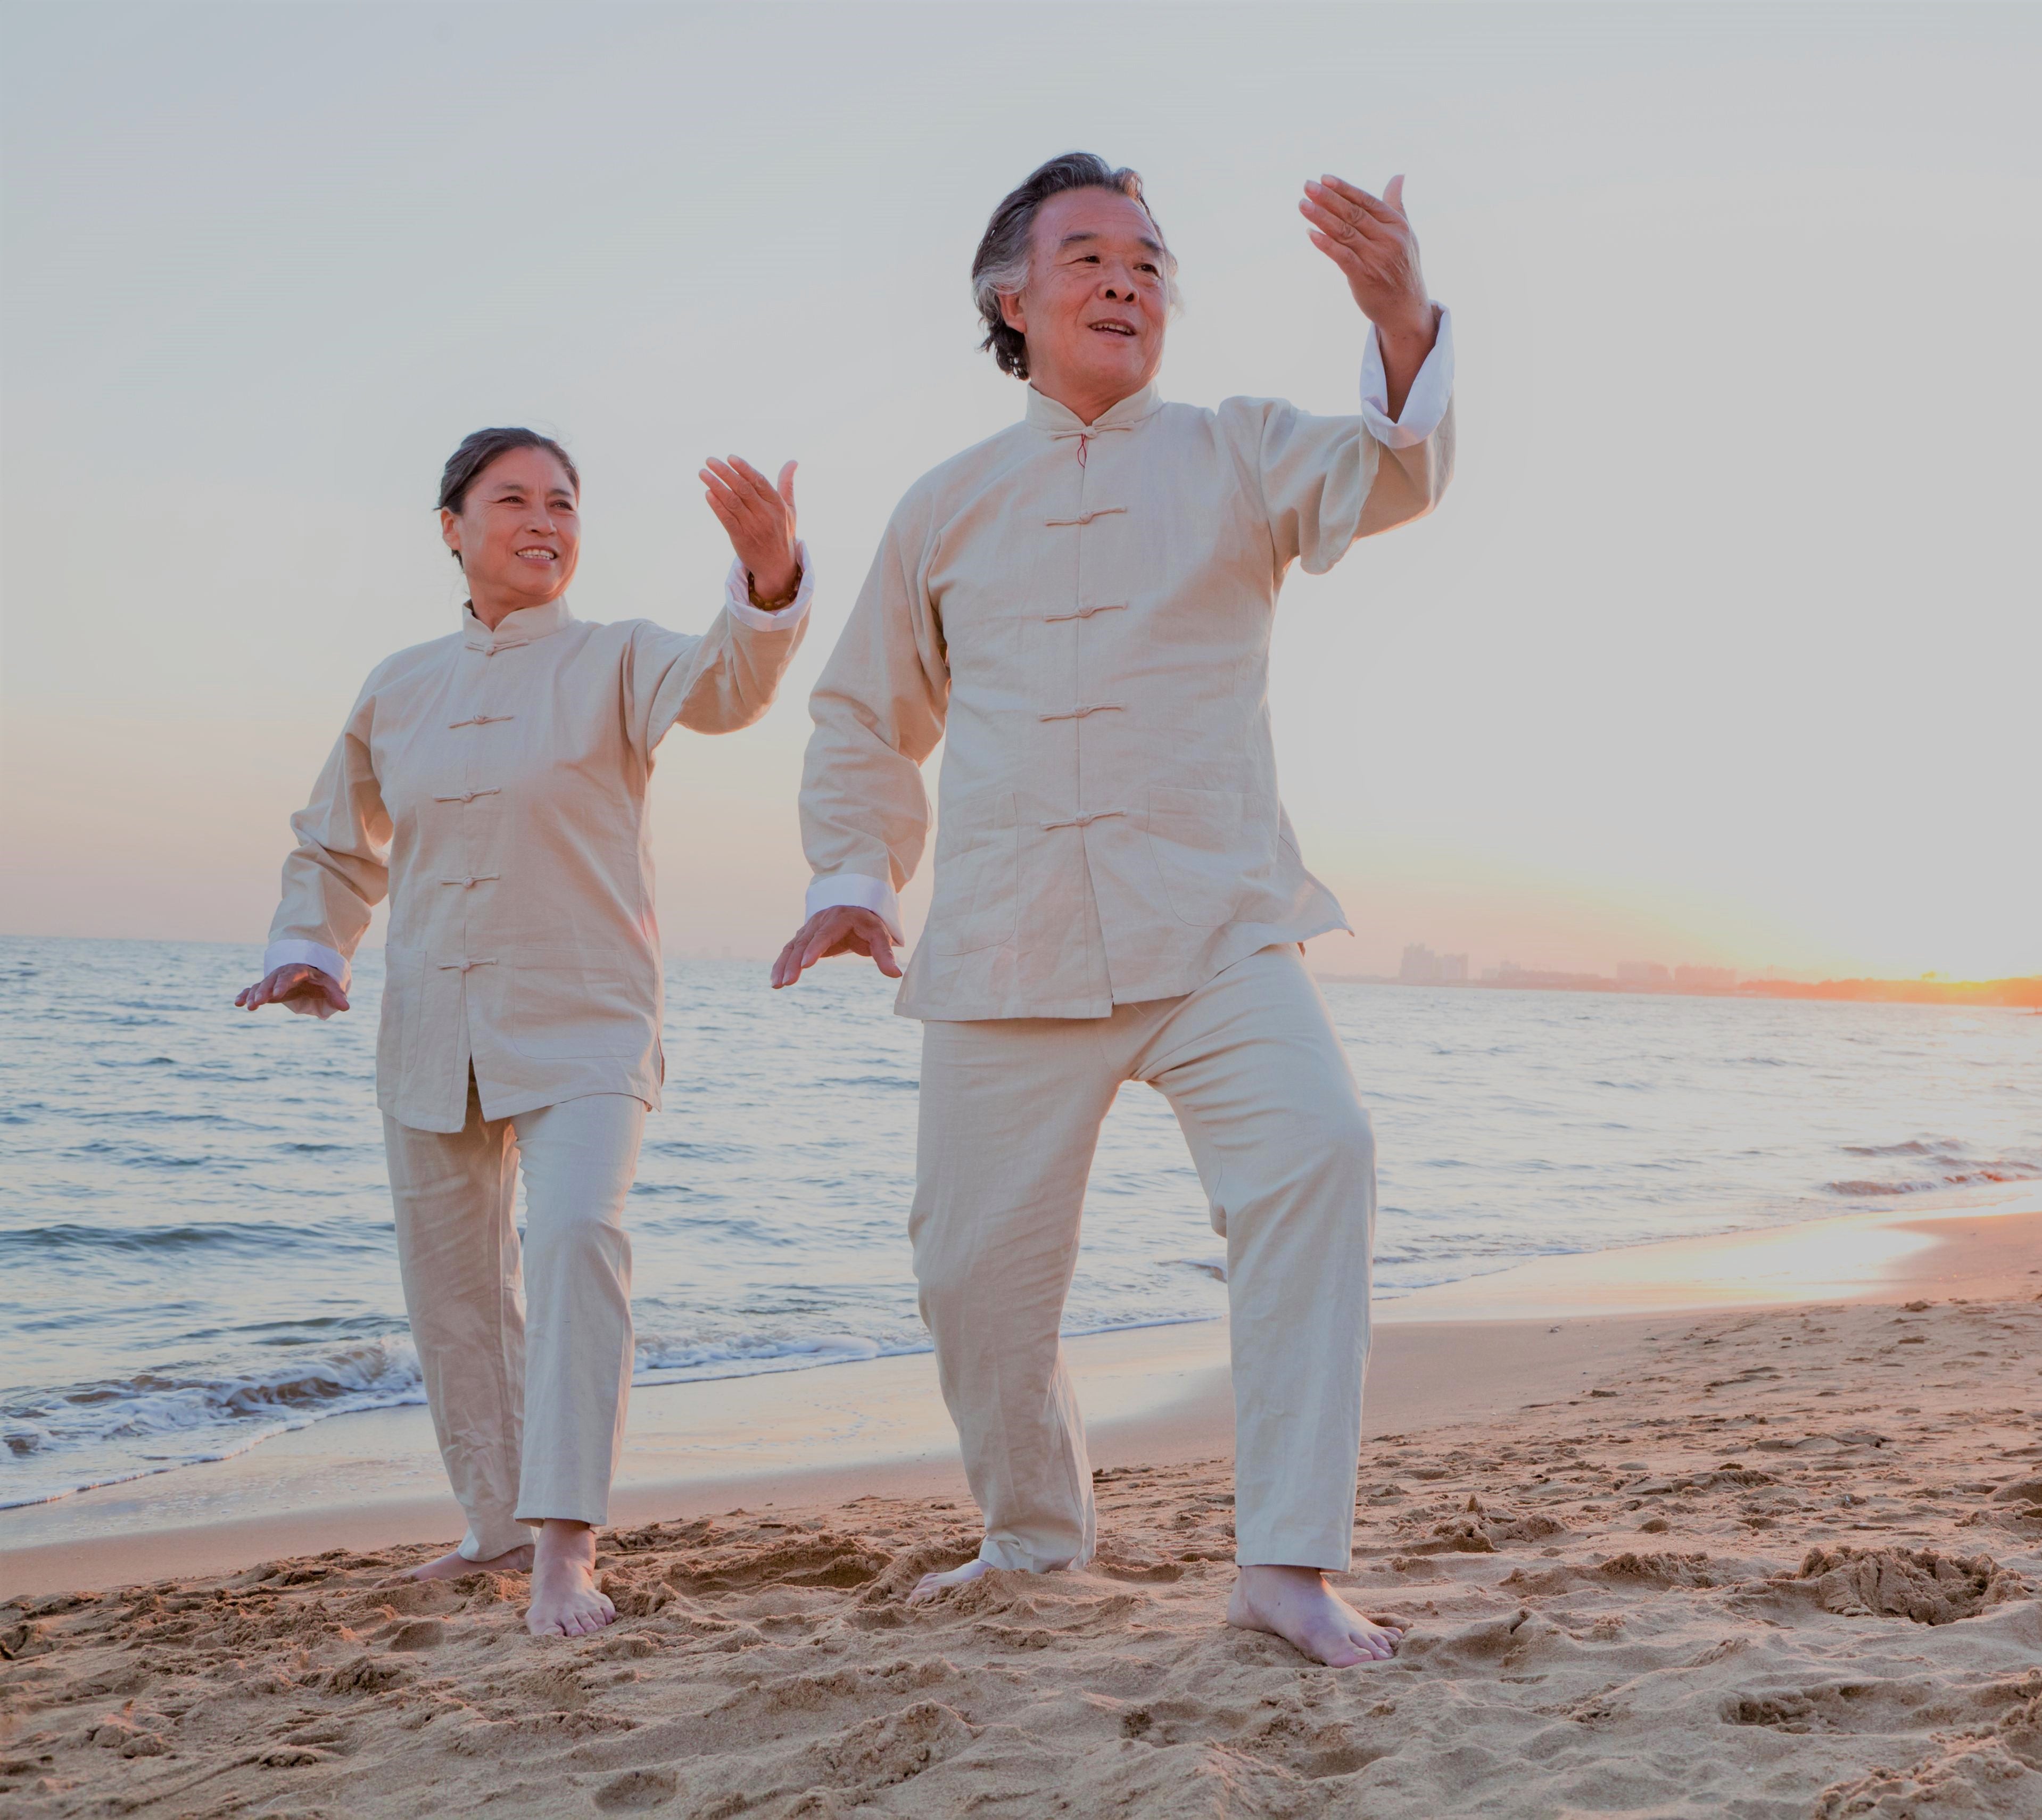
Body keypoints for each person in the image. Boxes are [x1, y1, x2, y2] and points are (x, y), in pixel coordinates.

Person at [771, 153, 1452, 1667]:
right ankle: (1032, 1532)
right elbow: (864, 718)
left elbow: (1391, 468)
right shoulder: (945, 505)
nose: (1126, 278)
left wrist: (1401, 316)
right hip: (1007, 946)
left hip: (1214, 924)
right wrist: (854, 876)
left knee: (1319, 1150)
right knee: (968, 1276)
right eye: (1086, 254)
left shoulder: (1240, 450)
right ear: (1011, 301)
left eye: (1148, 257)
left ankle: (1284, 1561)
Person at [238, 428, 811, 1636]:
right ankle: (494, 1527)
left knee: (574, 1244)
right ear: (452, 526)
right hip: (432, 1027)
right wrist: (309, 949)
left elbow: (730, 682)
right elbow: (337, 843)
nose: (544, 520)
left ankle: (565, 1549)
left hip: (589, 1021)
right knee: (453, 1295)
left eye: (564, 502)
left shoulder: (616, 660)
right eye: (513, 500)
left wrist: (767, 579)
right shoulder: (398, 683)